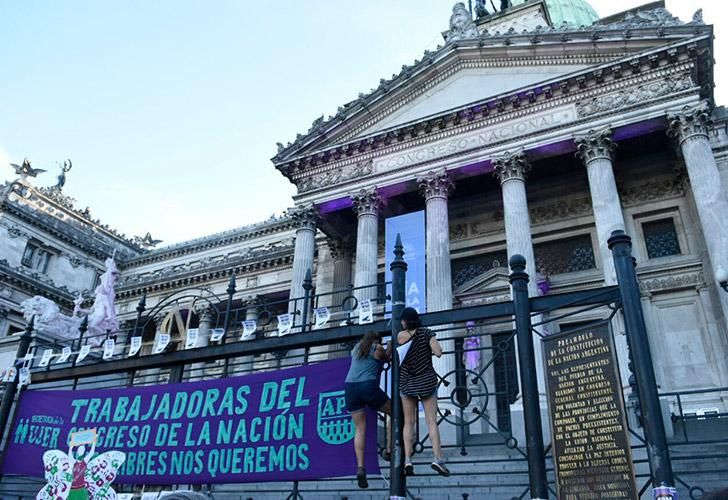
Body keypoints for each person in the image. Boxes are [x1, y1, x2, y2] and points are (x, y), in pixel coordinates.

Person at [397, 307, 450, 477]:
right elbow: (438, 352)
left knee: (408, 422)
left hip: (407, 382)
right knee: (431, 421)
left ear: (404, 321)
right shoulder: (427, 333)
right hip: (427, 381)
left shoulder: (400, 336)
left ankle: (407, 459)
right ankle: (438, 458)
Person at [344, 331, 392, 488]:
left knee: (359, 429)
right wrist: (390, 345)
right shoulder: (377, 347)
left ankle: (360, 468)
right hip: (367, 386)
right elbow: (387, 357)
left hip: (350, 388)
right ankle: (390, 448)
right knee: (395, 411)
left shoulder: (356, 349)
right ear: (377, 339)